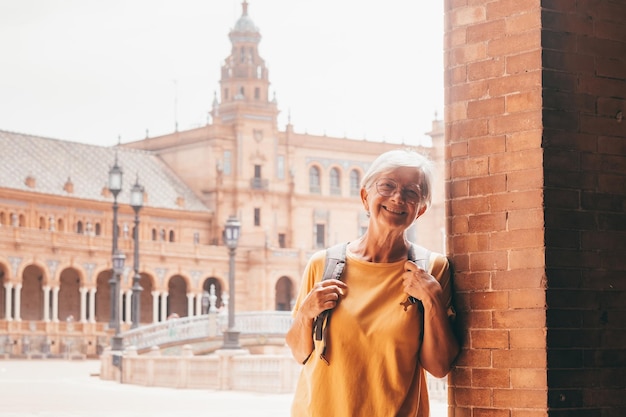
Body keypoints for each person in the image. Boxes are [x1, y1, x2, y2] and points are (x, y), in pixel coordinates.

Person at [286, 148, 460, 416]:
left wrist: (433, 299)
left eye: (411, 192)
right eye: (387, 185)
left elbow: (438, 367)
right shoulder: (323, 264)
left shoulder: (433, 269)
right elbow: (299, 353)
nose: (398, 197)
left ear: (421, 210)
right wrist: (307, 312)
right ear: (365, 197)